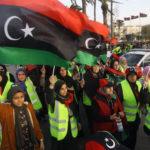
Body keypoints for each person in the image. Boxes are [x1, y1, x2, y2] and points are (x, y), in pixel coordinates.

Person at [0, 85, 44, 150]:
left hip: (30, 144)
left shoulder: (28, 107)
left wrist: (41, 140)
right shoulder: (6, 110)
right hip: (15, 145)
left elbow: (35, 124)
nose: (20, 100)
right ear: (10, 98)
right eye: (16, 98)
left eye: (21, 97)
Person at [46, 75, 80, 150]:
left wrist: (79, 122)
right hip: (62, 132)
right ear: (57, 90)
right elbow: (49, 98)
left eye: (65, 88)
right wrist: (51, 85)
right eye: (62, 89)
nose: (65, 91)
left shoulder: (70, 97)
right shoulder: (54, 101)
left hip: (72, 128)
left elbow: (76, 111)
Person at [116, 67, 142, 149]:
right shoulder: (121, 86)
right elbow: (117, 103)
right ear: (127, 76)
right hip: (126, 119)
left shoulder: (139, 84)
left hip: (137, 116)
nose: (132, 77)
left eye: (134, 75)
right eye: (130, 75)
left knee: (134, 136)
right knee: (126, 139)